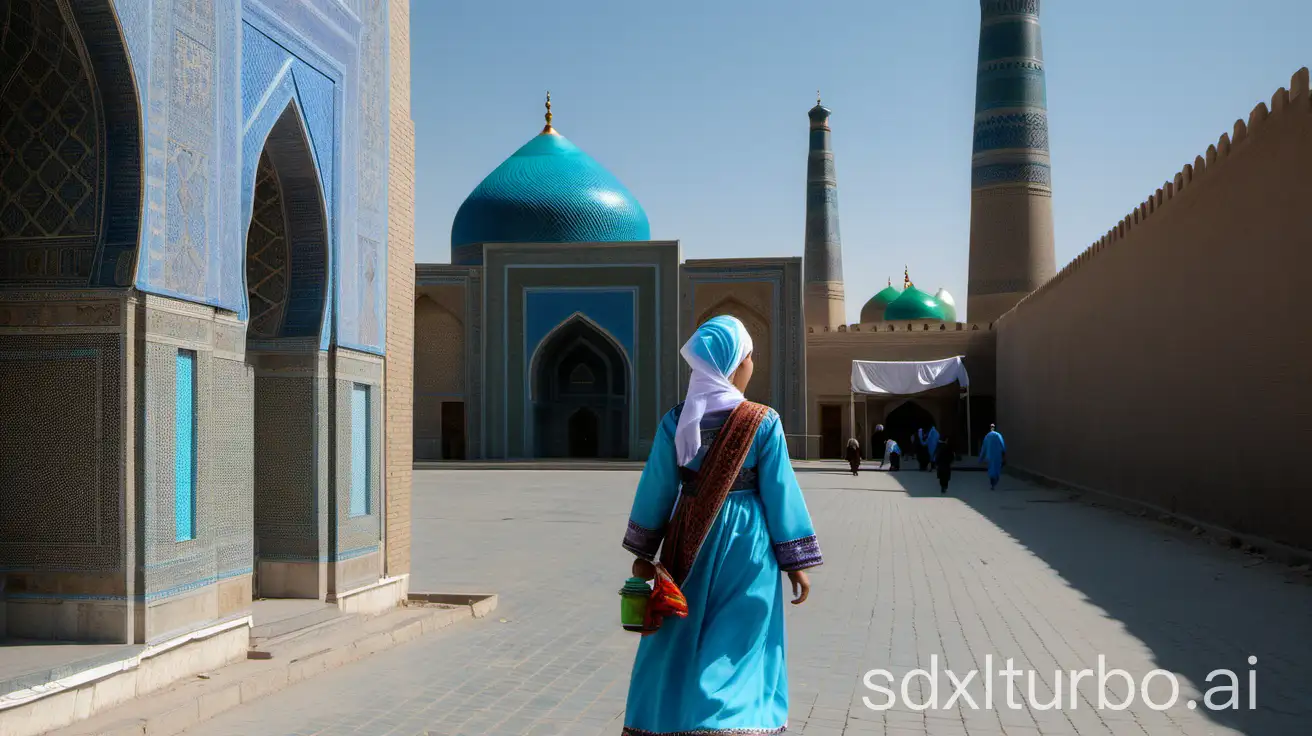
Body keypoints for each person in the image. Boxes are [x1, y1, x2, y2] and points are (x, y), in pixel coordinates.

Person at [621, 315, 822, 736]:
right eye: (750, 358)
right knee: (740, 640)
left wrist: (644, 552)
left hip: (688, 539)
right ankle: (730, 723)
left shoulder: (677, 420)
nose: (752, 366)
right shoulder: (763, 421)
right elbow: (778, 490)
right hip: (747, 545)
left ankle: (676, 720)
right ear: (735, 364)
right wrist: (794, 560)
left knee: (682, 637)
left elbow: (658, 486)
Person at [980, 423, 1007, 490]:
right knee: (996, 469)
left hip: (990, 456)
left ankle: (992, 484)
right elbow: (1002, 445)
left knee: (991, 469)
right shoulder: (998, 435)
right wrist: (1004, 453)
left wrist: (981, 458)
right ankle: (994, 482)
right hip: (997, 456)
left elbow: (984, 447)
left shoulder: (987, 436)